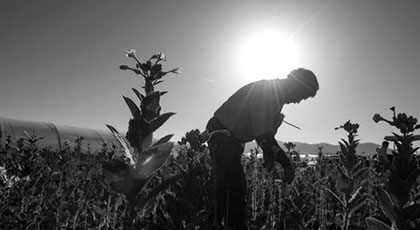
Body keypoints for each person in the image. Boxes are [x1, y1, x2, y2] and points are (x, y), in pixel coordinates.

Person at [206, 68, 319, 230]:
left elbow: (264, 135)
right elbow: (263, 136)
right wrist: (286, 164)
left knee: (224, 186)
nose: (299, 101)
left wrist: (271, 143)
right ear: (295, 83)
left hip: (228, 137)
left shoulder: (274, 96)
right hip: (222, 134)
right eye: (302, 95)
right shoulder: (270, 94)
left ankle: (215, 222)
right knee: (235, 185)